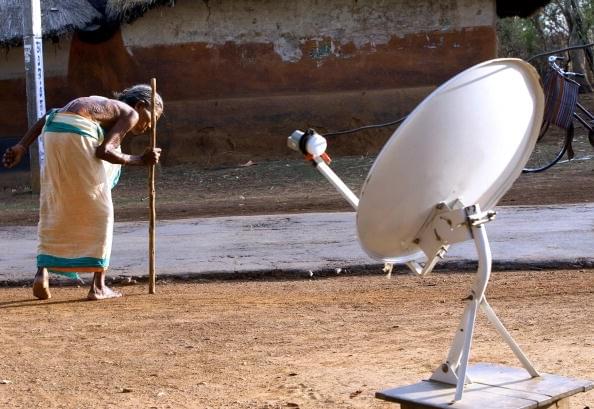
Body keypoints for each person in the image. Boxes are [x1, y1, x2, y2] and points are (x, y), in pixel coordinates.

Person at [2, 84, 163, 300]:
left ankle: (42, 274)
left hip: (53, 131)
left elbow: (51, 115)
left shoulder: (100, 105)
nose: (150, 126)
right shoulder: (130, 113)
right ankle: (98, 286)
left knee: (57, 202)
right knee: (102, 210)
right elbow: (104, 151)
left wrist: (22, 146)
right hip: (76, 132)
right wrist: (140, 160)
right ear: (141, 105)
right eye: (151, 119)